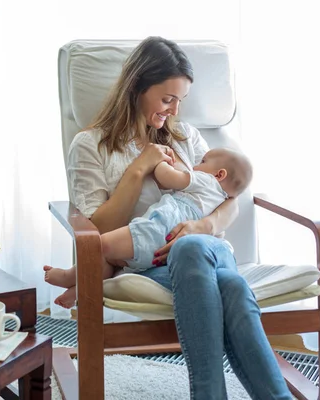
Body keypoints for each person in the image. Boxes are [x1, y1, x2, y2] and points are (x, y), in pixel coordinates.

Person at [45, 36, 292, 399]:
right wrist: (137, 170)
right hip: (148, 264)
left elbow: (231, 199)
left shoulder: (185, 138)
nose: (174, 111)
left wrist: (201, 226)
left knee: (192, 247)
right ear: (136, 88)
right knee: (233, 287)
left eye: (180, 100)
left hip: (211, 249)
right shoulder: (91, 145)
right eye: (167, 99)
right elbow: (98, 231)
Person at [44, 147, 253, 297]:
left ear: (219, 174)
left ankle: (69, 275)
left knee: (101, 246)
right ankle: (80, 289)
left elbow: (169, 178)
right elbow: (233, 200)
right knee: (111, 260)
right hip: (171, 253)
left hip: (158, 230)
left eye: (202, 162)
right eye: (168, 99)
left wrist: (158, 162)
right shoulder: (220, 194)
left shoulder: (205, 179)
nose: (197, 165)